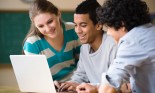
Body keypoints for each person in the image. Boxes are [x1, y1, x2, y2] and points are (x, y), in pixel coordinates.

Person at [54, 0, 117, 92]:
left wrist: (87, 86)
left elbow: (116, 83)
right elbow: (80, 75)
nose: (77, 30)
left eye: (83, 25)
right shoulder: (85, 48)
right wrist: (67, 84)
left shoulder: (112, 45)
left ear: (99, 25)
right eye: (76, 25)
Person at [95, 0, 155, 93]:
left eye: (109, 27)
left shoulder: (132, 40)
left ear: (122, 24)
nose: (108, 32)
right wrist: (96, 87)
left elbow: (107, 88)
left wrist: (103, 88)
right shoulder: (150, 31)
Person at [22, 0, 81, 82]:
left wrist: (76, 83)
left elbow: (82, 63)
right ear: (35, 25)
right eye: (41, 26)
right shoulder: (32, 44)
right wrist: (51, 85)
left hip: (76, 83)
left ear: (58, 13)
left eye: (50, 21)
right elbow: (34, 79)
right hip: (49, 87)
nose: (47, 29)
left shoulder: (72, 29)